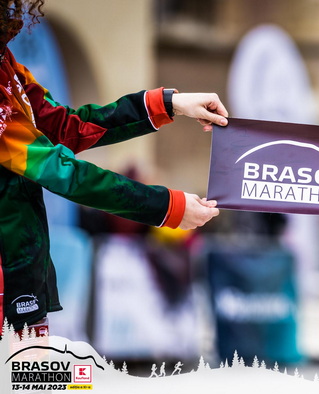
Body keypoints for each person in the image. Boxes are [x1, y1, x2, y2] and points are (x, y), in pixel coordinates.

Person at [0, 0, 229, 334]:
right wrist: (167, 207)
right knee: (27, 368)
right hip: (6, 272)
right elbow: (61, 171)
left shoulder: (6, 63)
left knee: (33, 369)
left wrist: (168, 104)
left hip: (22, 269)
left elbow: (67, 127)